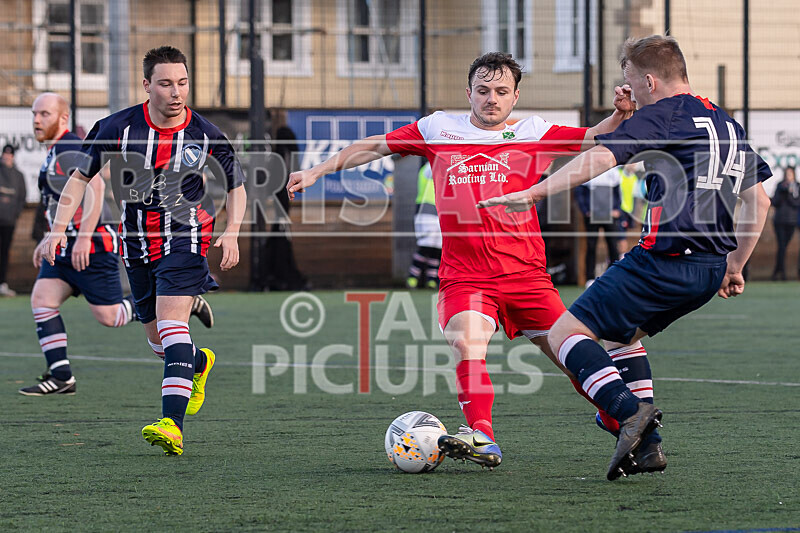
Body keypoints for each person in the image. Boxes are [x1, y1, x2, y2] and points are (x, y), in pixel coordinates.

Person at [288, 52, 638, 469]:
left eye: (502, 91)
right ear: (468, 92)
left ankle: (617, 419)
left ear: (515, 97)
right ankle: (482, 435)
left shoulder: (534, 131)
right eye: (483, 90)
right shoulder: (437, 128)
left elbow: (593, 137)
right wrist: (317, 171)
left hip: (527, 277)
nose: (492, 99)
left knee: (572, 358)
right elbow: (375, 146)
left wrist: (619, 115)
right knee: (465, 343)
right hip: (465, 277)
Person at [478, 35, 772, 480]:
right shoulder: (725, 122)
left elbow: (601, 157)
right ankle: (648, 448)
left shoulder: (665, 113)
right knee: (620, 337)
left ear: (649, 81)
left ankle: (628, 411)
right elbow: (759, 201)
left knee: (563, 335)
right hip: (709, 269)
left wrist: (534, 193)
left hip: (662, 261)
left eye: (631, 81)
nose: (628, 89)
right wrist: (735, 265)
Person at [40, 47, 247, 456]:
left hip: (187, 236)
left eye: (182, 83)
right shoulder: (117, 126)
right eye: (166, 84)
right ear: (147, 85)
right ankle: (199, 363)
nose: (176, 92)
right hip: (136, 241)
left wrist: (233, 232)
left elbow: (236, 184)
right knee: (157, 341)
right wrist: (58, 229)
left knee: (171, 325)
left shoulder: (205, 132)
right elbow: (80, 178)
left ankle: (172, 425)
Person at [19, 93, 141, 396]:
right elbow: (60, 202)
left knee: (111, 317)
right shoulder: (56, 150)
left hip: (91, 245)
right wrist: (50, 235)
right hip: (65, 246)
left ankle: (169, 300)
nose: (37, 120)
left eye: (45, 114)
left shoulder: (70, 146)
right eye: (35, 114)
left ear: (63, 118)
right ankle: (62, 377)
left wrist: (85, 237)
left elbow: (94, 184)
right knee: (42, 300)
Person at [575, 167, 623, 285]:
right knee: (591, 246)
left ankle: (615, 276)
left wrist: (616, 209)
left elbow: (618, 193)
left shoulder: (614, 171)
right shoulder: (588, 170)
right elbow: (579, 193)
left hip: (610, 215)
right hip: (593, 216)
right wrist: (586, 211)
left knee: (613, 245)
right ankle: (589, 278)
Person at [406, 161, 442, 289]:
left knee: (437, 248)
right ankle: (413, 276)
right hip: (426, 211)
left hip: (440, 213)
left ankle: (431, 279)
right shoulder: (428, 168)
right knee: (426, 245)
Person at [0, 144, 27, 296]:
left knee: (4, 252)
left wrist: (14, 214)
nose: (7, 157)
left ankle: (2, 283)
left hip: (9, 221)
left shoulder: (18, 175)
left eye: (9, 154)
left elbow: (22, 197)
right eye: (5, 154)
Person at [770, 166, 799, 280]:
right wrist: (783, 192)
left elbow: (796, 203)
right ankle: (781, 273)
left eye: (790, 174)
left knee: (784, 246)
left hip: (791, 221)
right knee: (781, 246)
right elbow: (775, 202)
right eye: (787, 174)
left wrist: (790, 194)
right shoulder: (780, 186)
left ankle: (777, 270)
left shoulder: (797, 186)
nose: (788, 176)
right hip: (780, 221)